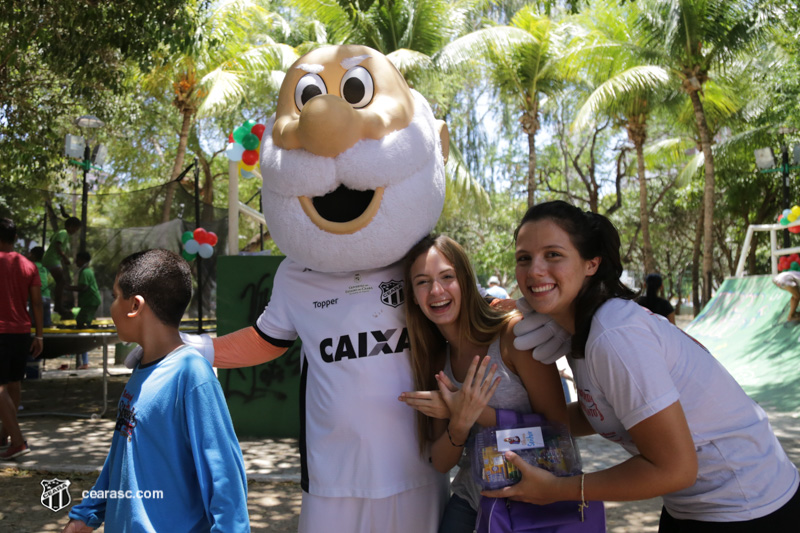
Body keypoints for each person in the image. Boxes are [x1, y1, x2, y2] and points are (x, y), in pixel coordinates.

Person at [499, 200, 799, 531]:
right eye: (524, 258)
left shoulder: (613, 335)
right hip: (691, 506)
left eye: (553, 254)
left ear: (591, 264)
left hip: (749, 507)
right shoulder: (580, 330)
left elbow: (675, 468)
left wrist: (558, 490)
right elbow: (598, 412)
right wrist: (504, 425)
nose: (534, 270)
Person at [61, 249, 249, 532]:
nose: (111, 306)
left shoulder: (191, 373)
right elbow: (121, 459)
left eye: (114, 296)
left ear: (135, 305)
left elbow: (225, 482)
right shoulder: (141, 368)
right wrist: (87, 514)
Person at [398, 234, 568, 532]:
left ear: (464, 280)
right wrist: (460, 424)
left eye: (447, 277)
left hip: (534, 502)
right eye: (422, 281)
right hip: (471, 499)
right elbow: (440, 462)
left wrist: (468, 410)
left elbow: (558, 432)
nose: (436, 290)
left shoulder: (513, 337)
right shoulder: (436, 360)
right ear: (412, 294)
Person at [0, 218, 43, 460]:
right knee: (13, 385)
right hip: (22, 332)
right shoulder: (28, 264)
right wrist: (39, 335)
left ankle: (17, 441)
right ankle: (3, 436)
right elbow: (37, 302)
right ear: (15, 237)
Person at [68, 251, 102, 369]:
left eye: (77, 259)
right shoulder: (85, 271)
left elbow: (83, 287)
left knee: (81, 325)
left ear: (82, 260)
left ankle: (89, 348)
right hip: (88, 302)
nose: (76, 261)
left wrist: (67, 287)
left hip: (90, 302)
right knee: (81, 325)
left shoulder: (85, 272)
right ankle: (85, 359)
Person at [42, 216, 81, 316]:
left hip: (53, 259)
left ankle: (58, 304)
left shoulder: (62, 233)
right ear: (71, 226)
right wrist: (64, 258)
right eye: (76, 228)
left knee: (60, 281)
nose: (76, 231)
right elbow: (57, 244)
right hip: (52, 259)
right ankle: (58, 305)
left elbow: (52, 239)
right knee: (61, 281)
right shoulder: (63, 232)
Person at [28, 246, 53, 327]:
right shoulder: (45, 268)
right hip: (47, 296)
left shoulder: (31, 266)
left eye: (30, 254)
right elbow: (51, 282)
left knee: (35, 321)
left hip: (36, 297)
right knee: (46, 321)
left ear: (33, 256)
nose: (29, 256)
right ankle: (47, 338)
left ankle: (37, 337)